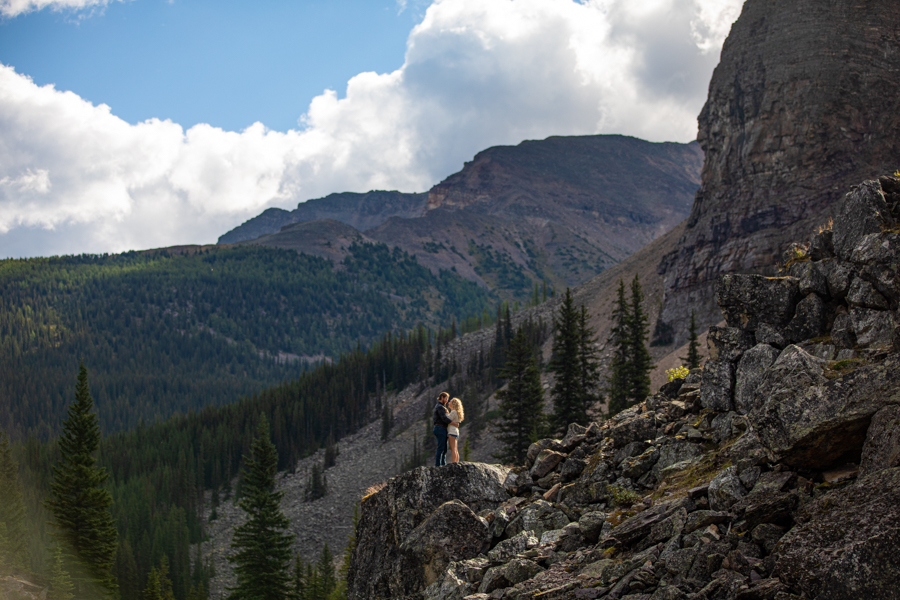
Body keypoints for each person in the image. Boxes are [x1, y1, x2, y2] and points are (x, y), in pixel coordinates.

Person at [432, 392, 451, 466]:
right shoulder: (440, 407)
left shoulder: (440, 407)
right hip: (440, 428)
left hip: (441, 428)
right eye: (446, 398)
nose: (446, 400)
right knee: (441, 447)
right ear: (442, 397)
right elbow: (444, 418)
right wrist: (452, 422)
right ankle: (438, 465)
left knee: (444, 448)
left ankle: (443, 463)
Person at [447, 397, 465, 463]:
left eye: (450, 402)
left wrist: (446, 413)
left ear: (453, 403)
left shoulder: (453, 412)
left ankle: (454, 463)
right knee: (455, 449)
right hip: (455, 431)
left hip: (451, 431)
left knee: (453, 449)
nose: (449, 403)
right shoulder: (457, 412)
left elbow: (447, 419)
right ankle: (456, 462)